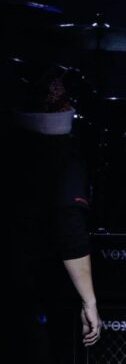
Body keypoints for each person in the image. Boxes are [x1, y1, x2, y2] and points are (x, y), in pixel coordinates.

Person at [3, 65, 101, 363]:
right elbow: (70, 232)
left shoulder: (11, 148)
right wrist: (89, 301)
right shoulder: (64, 159)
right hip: (34, 290)